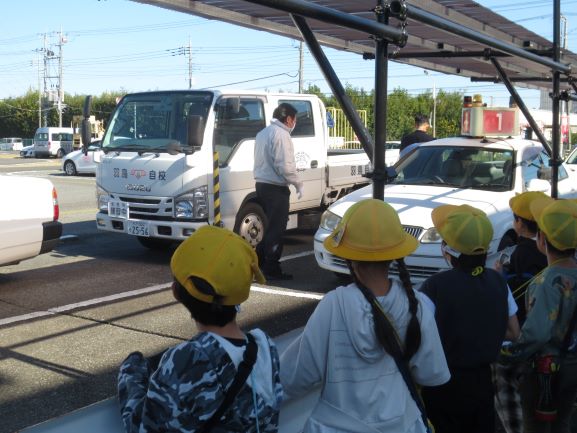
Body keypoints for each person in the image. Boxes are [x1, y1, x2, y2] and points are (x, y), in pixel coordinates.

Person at [280, 199, 450, 433]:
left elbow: (296, 375)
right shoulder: (415, 305)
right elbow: (432, 374)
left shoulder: (334, 305)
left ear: (349, 259)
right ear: (395, 255)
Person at [117, 225, 283, 433]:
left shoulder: (187, 360)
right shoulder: (265, 348)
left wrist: (131, 368)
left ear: (176, 292)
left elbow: (140, 426)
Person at [420, 204, 520, 433]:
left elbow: (421, 338)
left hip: (442, 386)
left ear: (448, 250)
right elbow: (514, 333)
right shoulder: (498, 282)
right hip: (484, 383)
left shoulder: (434, 287)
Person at [500, 197, 577, 433]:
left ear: (542, 240)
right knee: (563, 422)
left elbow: (538, 333)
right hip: (573, 366)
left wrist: (507, 353)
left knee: (536, 426)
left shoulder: (546, 282)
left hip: (548, 371)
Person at [493, 191, 549, 433]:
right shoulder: (552, 254)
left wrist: (498, 275)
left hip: (522, 338)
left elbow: (507, 300)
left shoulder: (513, 255)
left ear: (518, 222)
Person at [254, 102, 304, 280]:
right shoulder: (281, 135)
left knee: (268, 227)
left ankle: (257, 263)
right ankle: (271, 268)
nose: (295, 123)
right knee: (276, 228)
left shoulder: (263, 133)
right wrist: (298, 183)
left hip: (261, 185)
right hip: (276, 188)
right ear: (289, 119)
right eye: (295, 119)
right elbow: (285, 166)